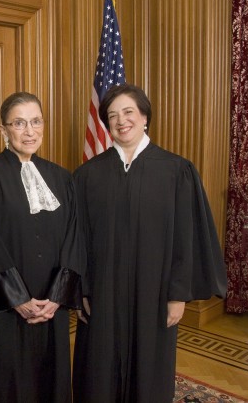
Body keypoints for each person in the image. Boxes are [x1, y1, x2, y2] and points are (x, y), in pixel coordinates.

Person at [72, 84, 227, 402]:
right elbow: (78, 238)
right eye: (112, 115)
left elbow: (185, 238)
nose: (120, 120)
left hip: (154, 294)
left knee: (149, 373)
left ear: (145, 117)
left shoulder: (176, 172)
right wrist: (82, 289)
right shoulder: (88, 176)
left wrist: (177, 294)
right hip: (103, 291)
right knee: (98, 372)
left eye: (128, 112)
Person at [0, 92, 83, 403]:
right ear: (3, 129)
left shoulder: (61, 177)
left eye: (36, 121)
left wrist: (56, 298)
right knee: (6, 377)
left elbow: (74, 237)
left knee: (49, 377)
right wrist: (17, 299)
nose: (29, 131)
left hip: (50, 302)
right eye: (19, 123)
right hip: (6, 304)